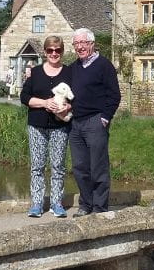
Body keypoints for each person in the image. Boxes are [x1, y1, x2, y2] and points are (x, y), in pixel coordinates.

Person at [68, 27, 121, 217]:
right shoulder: (74, 67)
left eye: (83, 43)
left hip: (95, 122)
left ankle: (99, 208)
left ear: (92, 44)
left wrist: (105, 118)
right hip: (75, 124)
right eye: (76, 44)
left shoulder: (104, 65)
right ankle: (85, 204)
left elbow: (114, 95)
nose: (80, 47)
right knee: (80, 167)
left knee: (98, 166)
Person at [20, 36, 73, 218]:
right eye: (50, 50)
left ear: (62, 52)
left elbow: (76, 97)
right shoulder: (35, 73)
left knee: (58, 166)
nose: (54, 54)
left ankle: (56, 203)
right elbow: (24, 98)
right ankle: (37, 203)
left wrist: (68, 106)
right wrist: (45, 103)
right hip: (37, 126)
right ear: (45, 52)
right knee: (37, 166)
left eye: (57, 50)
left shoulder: (69, 72)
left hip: (60, 127)